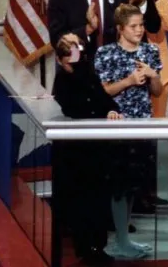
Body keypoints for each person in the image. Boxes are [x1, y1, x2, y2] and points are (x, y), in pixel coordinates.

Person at [94, 4, 163, 259]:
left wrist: (152, 75)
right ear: (121, 28)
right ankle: (120, 241)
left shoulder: (150, 51)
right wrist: (130, 81)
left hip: (143, 124)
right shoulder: (106, 53)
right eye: (134, 26)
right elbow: (103, 91)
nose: (139, 30)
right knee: (120, 186)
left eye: (141, 25)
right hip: (116, 127)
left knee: (134, 185)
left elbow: (156, 91)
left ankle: (125, 239)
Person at [52, 34, 121, 266]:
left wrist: (111, 110)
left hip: (97, 149)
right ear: (61, 60)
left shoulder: (87, 74)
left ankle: (98, 246)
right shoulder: (62, 82)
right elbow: (74, 107)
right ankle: (85, 247)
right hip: (75, 152)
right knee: (82, 201)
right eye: (71, 58)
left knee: (99, 198)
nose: (76, 61)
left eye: (78, 55)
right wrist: (97, 111)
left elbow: (104, 99)